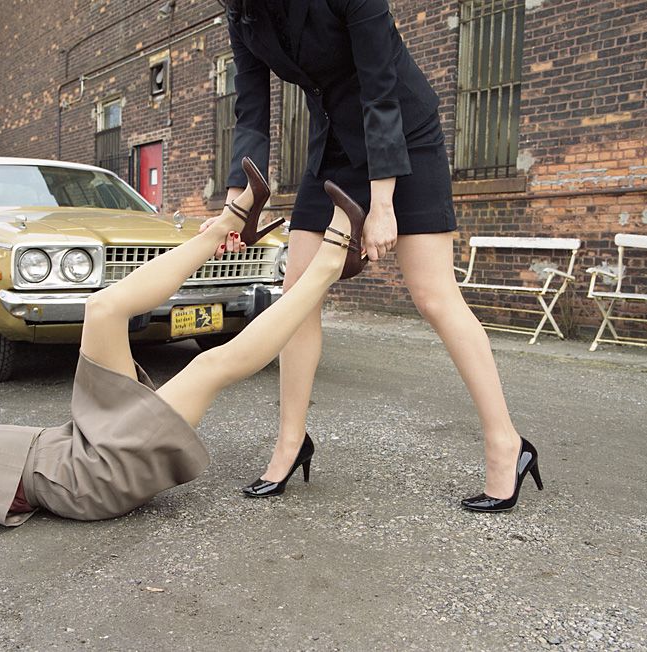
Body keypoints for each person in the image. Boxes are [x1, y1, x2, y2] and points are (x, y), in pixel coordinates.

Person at [0, 161, 369, 539]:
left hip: (76, 434)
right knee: (209, 365)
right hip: (88, 474)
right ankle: (328, 266)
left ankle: (227, 224)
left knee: (103, 307)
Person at [212, 0, 542, 511]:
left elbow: (380, 86)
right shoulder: (242, 13)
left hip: (404, 136)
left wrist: (383, 202)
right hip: (333, 147)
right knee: (296, 300)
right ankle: (291, 442)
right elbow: (251, 110)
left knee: (433, 296)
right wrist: (237, 203)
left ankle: (506, 444)